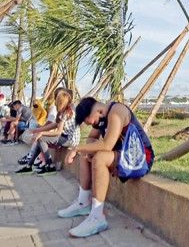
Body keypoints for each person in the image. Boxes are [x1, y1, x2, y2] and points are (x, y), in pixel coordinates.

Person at [57, 97, 154, 238]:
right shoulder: (102, 116)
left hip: (140, 157)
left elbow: (107, 145)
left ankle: (97, 217)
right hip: (122, 155)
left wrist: (76, 148)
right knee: (86, 153)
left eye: (93, 122)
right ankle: (83, 202)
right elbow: (91, 138)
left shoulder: (116, 112)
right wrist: (87, 149)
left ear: (99, 111)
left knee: (100, 158)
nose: (94, 125)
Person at [16, 88, 79, 174]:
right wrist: (37, 130)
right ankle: (29, 165)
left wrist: (41, 133)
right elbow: (55, 125)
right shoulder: (64, 111)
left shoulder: (66, 113)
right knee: (40, 138)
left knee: (41, 138)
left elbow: (58, 132)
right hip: (65, 137)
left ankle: (49, 165)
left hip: (70, 139)